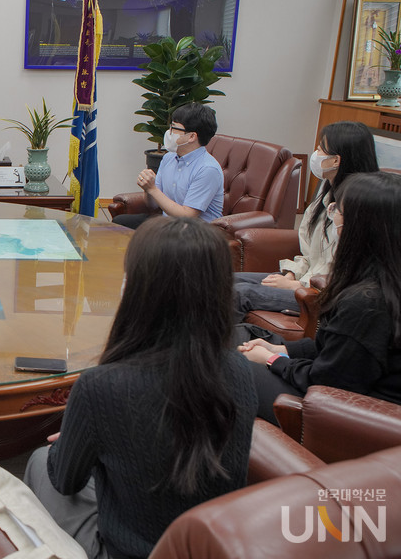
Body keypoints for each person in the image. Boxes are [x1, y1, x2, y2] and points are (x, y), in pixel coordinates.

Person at [24, 216, 256, 559]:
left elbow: (65, 481)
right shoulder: (240, 369)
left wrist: (77, 437)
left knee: (40, 460)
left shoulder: (99, 387)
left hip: (127, 550)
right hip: (212, 547)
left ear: (140, 290)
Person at [238, 171, 401, 424]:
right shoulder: (384, 281)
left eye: (338, 211)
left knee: (227, 365)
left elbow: (327, 380)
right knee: (244, 334)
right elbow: (338, 349)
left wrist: (271, 360)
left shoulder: (367, 303)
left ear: (361, 227)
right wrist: (280, 349)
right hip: (341, 390)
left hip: (345, 415)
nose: (333, 216)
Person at [233, 121, 378, 320]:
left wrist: (297, 286)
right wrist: (292, 273)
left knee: (238, 294)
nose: (315, 154)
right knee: (227, 281)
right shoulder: (325, 195)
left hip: (322, 294)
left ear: (336, 160)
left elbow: (346, 269)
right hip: (303, 280)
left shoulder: (360, 207)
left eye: (320, 149)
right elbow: (310, 255)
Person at [113, 102, 223, 229]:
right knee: (120, 222)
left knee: (149, 237)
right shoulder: (169, 158)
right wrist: (148, 188)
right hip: (169, 224)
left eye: (174, 128)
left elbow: (187, 216)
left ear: (192, 136)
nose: (169, 132)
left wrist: (153, 189)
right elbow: (152, 205)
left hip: (195, 231)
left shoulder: (207, 169)